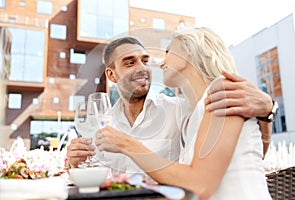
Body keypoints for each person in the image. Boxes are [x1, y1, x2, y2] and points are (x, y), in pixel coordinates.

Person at [95, 28, 272, 199]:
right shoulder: (193, 114)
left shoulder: (222, 92)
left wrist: (127, 145)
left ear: (189, 51)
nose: (161, 63)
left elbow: (200, 185)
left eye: (168, 51)